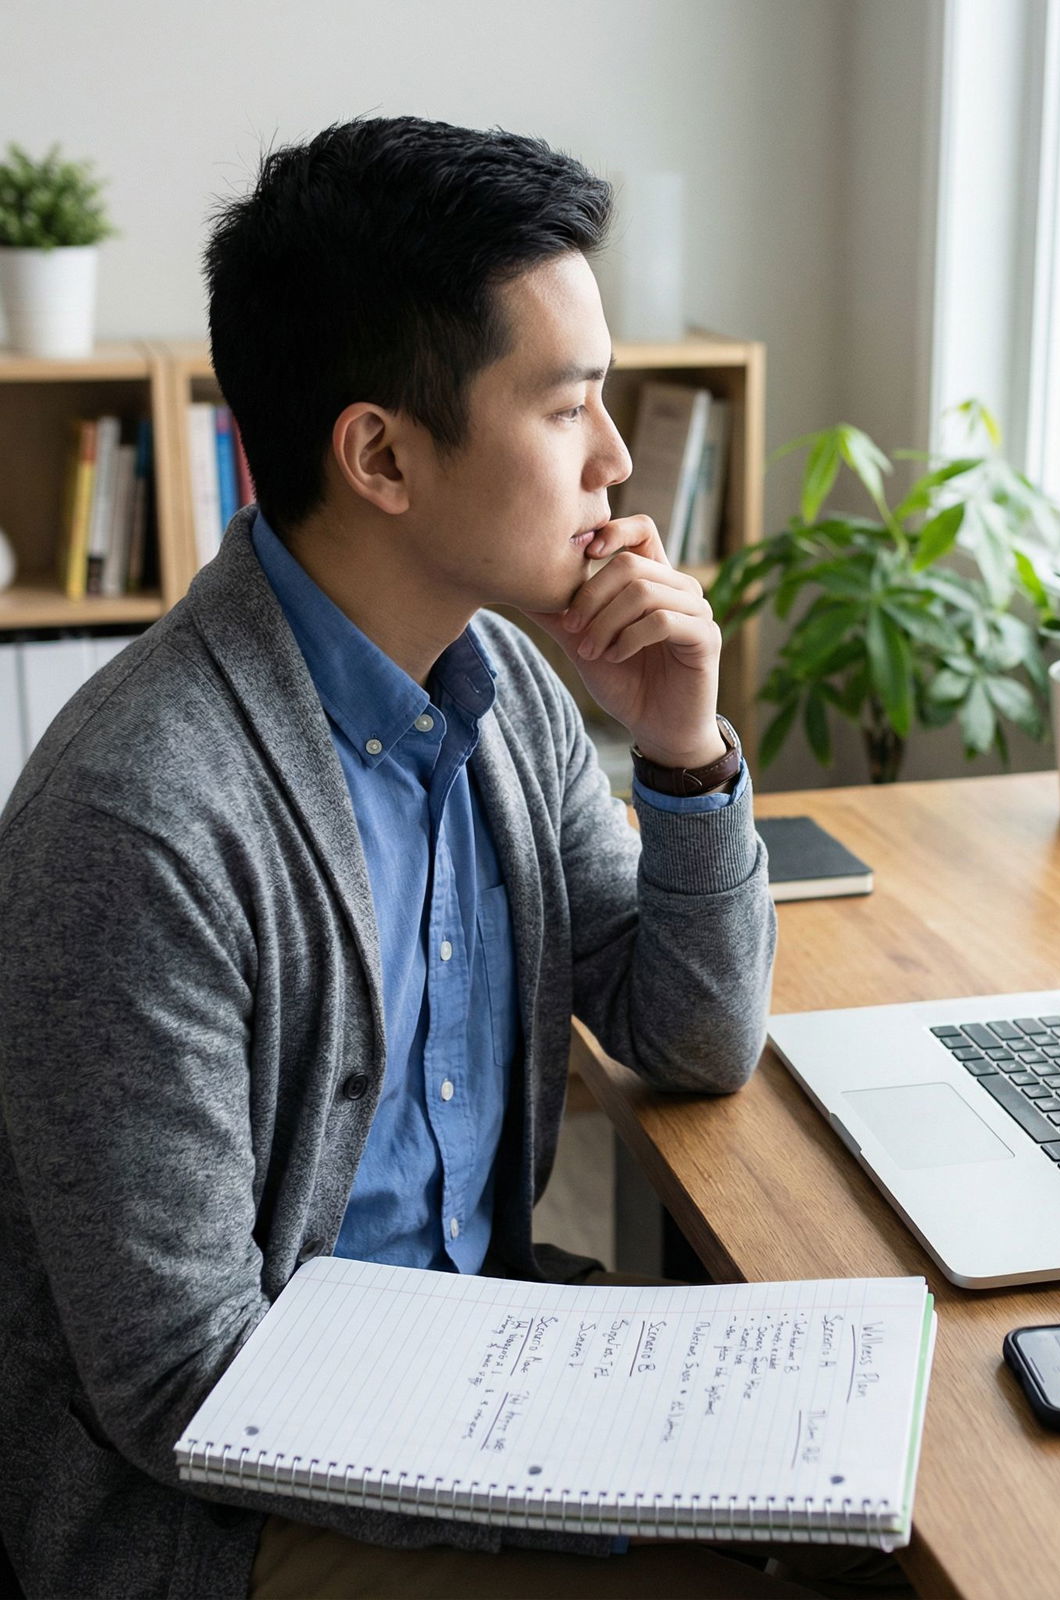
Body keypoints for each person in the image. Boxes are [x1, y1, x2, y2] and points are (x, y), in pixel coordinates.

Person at [0, 117, 801, 1599]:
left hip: (472, 1373)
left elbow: (693, 1034)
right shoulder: (143, 822)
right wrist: (572, 1486)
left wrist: (685, 753)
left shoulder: (499, 692)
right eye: (568, 410)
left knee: (861, 1519)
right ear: (378, 453)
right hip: (220, 1514)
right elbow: (184, 1383)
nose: (617, 463)